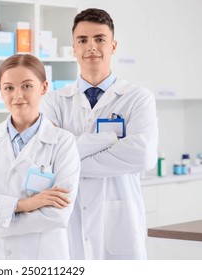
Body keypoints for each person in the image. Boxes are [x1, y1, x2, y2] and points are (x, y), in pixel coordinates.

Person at [40, 8, 158, 260]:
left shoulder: (137, 98)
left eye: (99, 39)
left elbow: (143, 156)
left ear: (113, 46)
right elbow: (45, 160)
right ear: (74, 47)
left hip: (120, 223)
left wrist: (68, 160)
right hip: (68, 224)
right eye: (82, 40)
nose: (91, 46)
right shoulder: (53, 102)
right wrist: (109, 141)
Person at [0, 54, 81, 260]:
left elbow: (58, 214)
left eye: (27, 86)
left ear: (44, 88)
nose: (17, 95)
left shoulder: (63, 142)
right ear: (0, 91)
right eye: (9, 87)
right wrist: (24, 205)